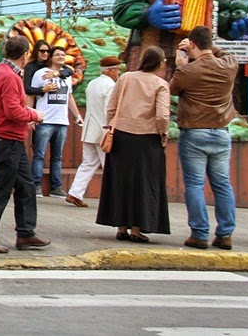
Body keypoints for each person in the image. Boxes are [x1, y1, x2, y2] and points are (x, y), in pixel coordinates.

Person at [0, 34, 49, 254]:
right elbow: (13, 110)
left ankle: (26, 233)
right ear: (25, 55)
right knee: (0, 189)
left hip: (8, 139)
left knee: (26, 186)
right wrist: (34, 114)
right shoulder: (10, 77)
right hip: (6, 139)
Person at [169, 25, 238, 250]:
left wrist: (182, 60)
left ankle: (199, 233)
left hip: (195, 132)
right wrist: (204, 46)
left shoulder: (188, 71)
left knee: (195, 185)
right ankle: (225, 234)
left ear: (193, 46)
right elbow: (221, 53)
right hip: (221, 132)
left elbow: (172, 89)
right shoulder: (229, 65)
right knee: (223, 185)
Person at [95, 46, 171, 243]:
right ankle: (137, 228)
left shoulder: (125, 78)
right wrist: (163, 133)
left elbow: (111, 107)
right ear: (161, 63)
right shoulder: (160, 84)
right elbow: (162, 115)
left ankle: (121, 226)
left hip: (121, 135)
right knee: (144, 184)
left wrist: (112, 124)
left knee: (121, 181)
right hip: (147, 139)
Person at [66, 56, 122, 208]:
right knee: (110, 166)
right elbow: (108, 110)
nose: (118, 73)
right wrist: (110, 129)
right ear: (110, 70)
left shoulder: (92, 83)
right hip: (103, 131)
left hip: (90, 129)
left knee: (88, 163)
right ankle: (115, 199)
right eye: (117, 69)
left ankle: (75, 192)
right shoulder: (110, 86)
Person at [28, 46, 81, 198]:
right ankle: (36, 185)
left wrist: (77, 115)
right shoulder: (40, 74)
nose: (61, 57)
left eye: (63, 55)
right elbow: (31, 94)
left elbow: (69, 97)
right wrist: (31, 116)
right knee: (39, 153)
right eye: (57, 54)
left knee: (57, 156)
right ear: (50, 57)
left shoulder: (66, 75)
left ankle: (56, 187)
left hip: (62, 120)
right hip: (45, 119)